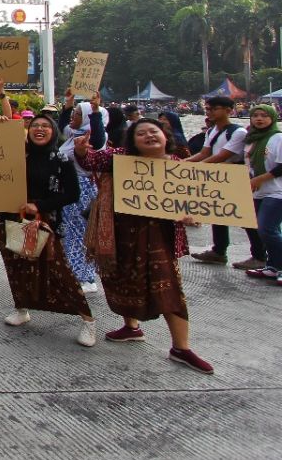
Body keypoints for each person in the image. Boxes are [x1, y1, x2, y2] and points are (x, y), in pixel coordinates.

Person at [76, 119, 214, 374]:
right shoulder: (119, 157)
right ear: (133, 140)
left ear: (164, 136)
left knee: (168, 288)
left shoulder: (178, 166)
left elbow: (196, 202)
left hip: (159, 238)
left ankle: (181, 347)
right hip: (121, 233)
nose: (149, 136)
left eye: (154, 131)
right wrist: (82, 150)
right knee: (122, 280)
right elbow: (91, 162)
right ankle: (132, 327)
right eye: (141, 133)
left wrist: (190, 213)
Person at [0, 115, 95, 346]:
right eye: (35, 126)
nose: (39, 129)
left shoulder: (61, 160)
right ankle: (21, 308)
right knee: (18, 265)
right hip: (18, 218)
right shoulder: (20, 154)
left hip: (46, 221)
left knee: (57, 270)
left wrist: (40, 205)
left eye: (45, 126)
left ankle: (88, 320)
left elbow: (72, 194)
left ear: (53, 131)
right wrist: (0, 124)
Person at [185, 95, 265, 269]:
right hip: (218, 176)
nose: (209, 112)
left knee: (245, 218)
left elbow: (222, 156)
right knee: (217, 214)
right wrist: (181, 164)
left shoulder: (238, 132)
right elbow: (204, 153)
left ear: (229, 110)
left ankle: (259, 255)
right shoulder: (211, 131)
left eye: (214, 109)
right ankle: (219, 250)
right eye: (207, 109)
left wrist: (191, 168)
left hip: (235, 177)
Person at [57, 97, 104, 292]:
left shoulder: (91, 137)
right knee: (69, 233)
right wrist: (68, 105)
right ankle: (74, 274)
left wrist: (95, 113)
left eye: (77, 114)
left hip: (83, 189)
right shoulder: (73, 134)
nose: (72, 117)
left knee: (80, 233)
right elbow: (62, 125)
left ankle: (86, 278)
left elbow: (99, 138)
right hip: (68, 188)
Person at [243, 104, 282, 286]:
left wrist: (259, 179)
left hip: (276, 191)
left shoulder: (278, 138)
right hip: (258, 192)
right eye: (255, 115)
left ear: (272, 118)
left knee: (266, 230)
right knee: (266, 231)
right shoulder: (252, 140)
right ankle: (273, 266)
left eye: (264, 115)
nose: (259, 119)